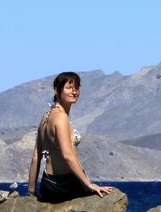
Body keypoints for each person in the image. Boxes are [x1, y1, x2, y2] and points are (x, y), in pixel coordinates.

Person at [27, 71, 114, 202]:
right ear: (57, 90)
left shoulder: (46, 116)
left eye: (77, 88)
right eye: (69, 88)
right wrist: (88, 184)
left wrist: (31, 192)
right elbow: (67, 155)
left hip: (48, 183)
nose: (74, 91)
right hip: (66, 184)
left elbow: (36, 156)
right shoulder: (61, 118)